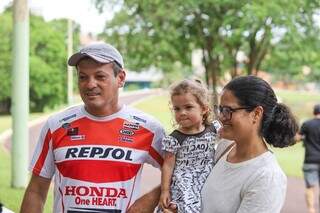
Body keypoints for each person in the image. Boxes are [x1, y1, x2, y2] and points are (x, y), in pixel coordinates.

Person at [20, 42, 165, 213]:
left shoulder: (148, 128)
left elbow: (184, 170)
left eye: (100, 76)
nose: (90, 84)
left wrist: (148, 201)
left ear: (121, 78)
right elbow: (36, 191)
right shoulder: (56, 125)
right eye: (83, 77)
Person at [201, 75, 299, 213]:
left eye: (228, 111)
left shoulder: (267, 177)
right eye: (220, 109)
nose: (221, 117)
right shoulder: (225, 147)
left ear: (256, 114)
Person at [158, 79, 220, 213]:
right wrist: (164, 191)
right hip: (184, 181)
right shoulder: (175, 139)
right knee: (185, 206)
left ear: (204, 108)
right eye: (177, 109)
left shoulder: (213, 129)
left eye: (188, 107)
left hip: (208, 176)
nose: (182, 113)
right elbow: (168, 165)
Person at [296, 104, 320, 213]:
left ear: (314, 112)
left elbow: (297, 138)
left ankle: (311, 210)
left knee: (310, 187)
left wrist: (302, 138)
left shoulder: (307, 124)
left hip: (310, 160)